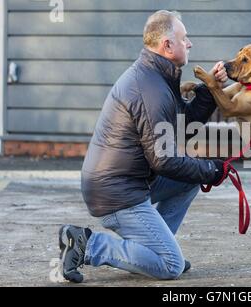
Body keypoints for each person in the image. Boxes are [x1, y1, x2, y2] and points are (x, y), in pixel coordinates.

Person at [58, 10, 229, 283]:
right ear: (167, 45)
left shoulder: (156, 77)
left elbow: (182, 125)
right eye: (185, 38)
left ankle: (153, 251)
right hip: (116, 193)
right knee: (170, 265)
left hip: (131, 182)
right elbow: (164, 160)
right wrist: (211, 169)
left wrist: (208, 89)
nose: (190, 44)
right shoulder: (149, 88)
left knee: (188, 181)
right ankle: (87, 244)